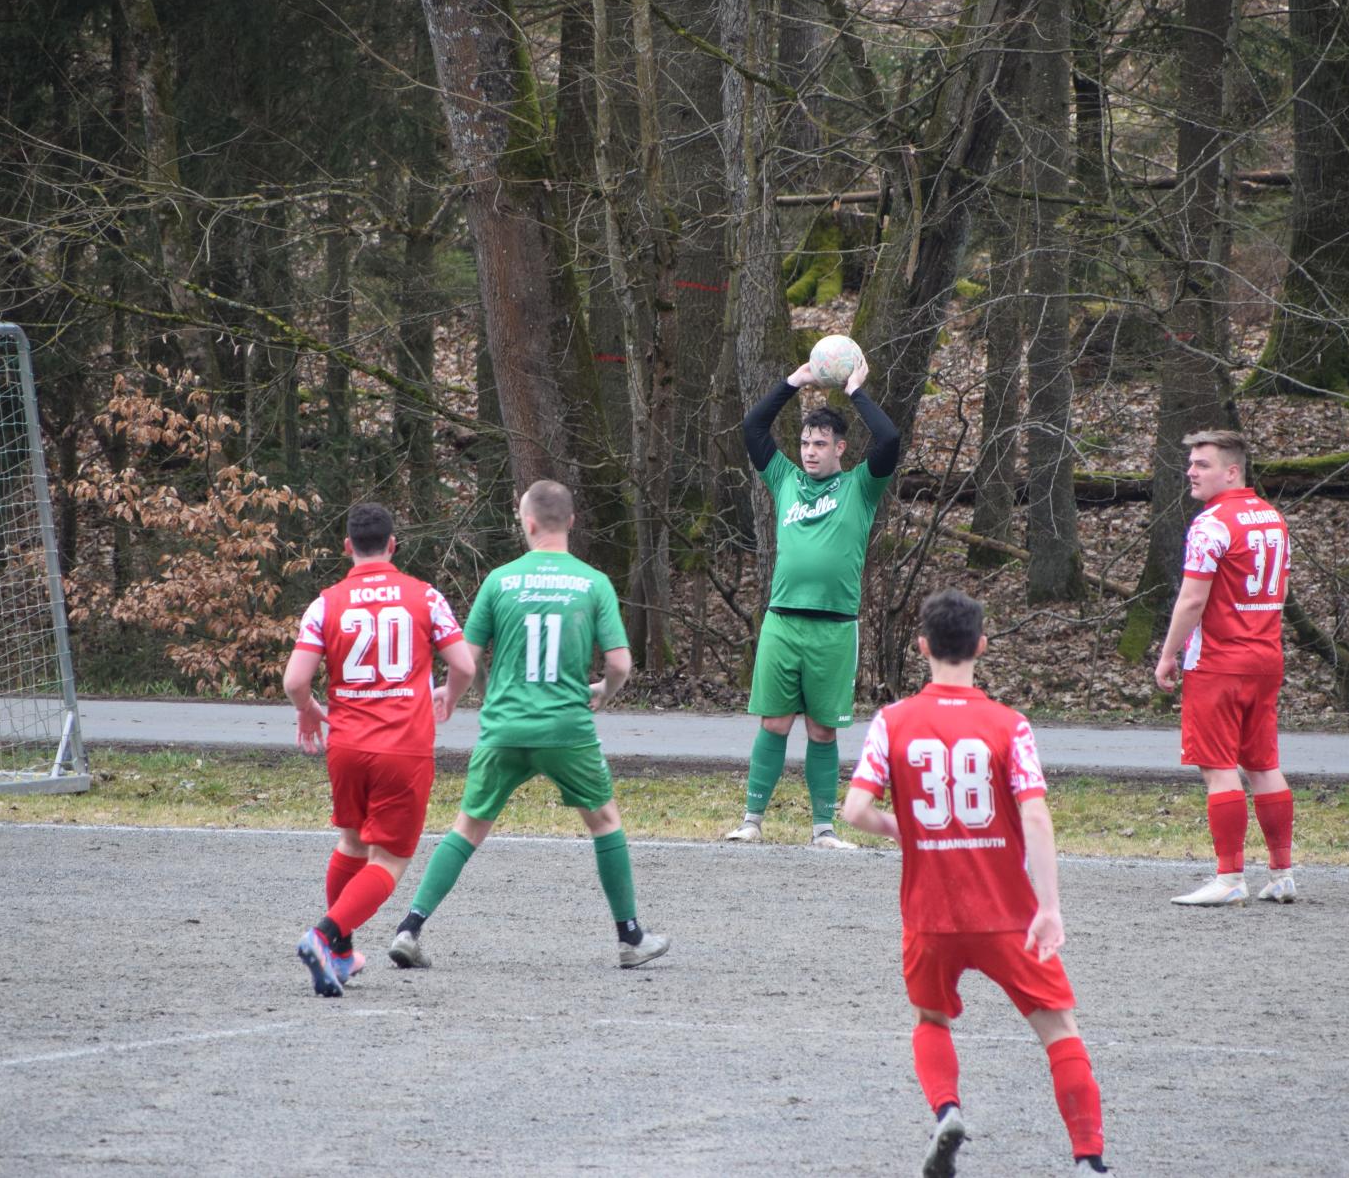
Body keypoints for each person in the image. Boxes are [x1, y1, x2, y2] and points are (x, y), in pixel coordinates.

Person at [841, 589, 1109, 1176]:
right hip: (1006, 913)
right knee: (1059, 1029)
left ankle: (946, 1112)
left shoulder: (893, 721)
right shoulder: (1008, 726)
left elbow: (855, 810)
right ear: (981, 647)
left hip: (930, 915)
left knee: (930, 1020)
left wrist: (906, 831)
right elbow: (1036, 815)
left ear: (922, 647)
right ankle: (1089, 1157)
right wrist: (1050, 908)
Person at [386, 480, 669, 970]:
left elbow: (467, 663)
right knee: (604, 822)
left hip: (504, 728)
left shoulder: (499, 581)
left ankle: (409, 927)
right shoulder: (593, 582)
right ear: (572, 524)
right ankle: (629, 937)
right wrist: (603, 691)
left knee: (467, 827)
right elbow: (621, 664)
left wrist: (453, 698)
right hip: (566, 730)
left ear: (529, 523)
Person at [286, 502, 476, 997]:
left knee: (351, 844)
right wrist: (449, 696)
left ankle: (343, 954)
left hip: (347, 745)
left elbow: (295, 681)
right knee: (389, 860)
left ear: (347, 547)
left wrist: (307, 709)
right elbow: (464, 665)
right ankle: (324, 937)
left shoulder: (325, 602)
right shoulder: (424, 596)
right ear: (393, 545)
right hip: (403, 748)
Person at [725, 354, 899, 848]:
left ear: (840, 448)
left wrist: (857, 391)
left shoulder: (860, 488)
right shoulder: (784, 480)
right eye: (804, 443)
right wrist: (794, 382)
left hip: (835, 627)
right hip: (783, 622)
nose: (809, 451)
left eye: (820, 444)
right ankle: (752, 821)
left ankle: (823, 828)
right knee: (774, 723)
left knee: (823, 731)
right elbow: (754, 427)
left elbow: (889, 441)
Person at [1153, 429, 1297, 907]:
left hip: (1218, 660)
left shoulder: (1211, 523)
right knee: (1264, 766)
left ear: (1232, 470)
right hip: (1266, 656)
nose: (1191, 471)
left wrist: (1168, 653)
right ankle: (1281, 873)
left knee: (1218, 770)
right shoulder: (1272, 518)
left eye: (1203, 464)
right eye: (1191, 462)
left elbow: (1193, 599)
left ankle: (1230, 876)